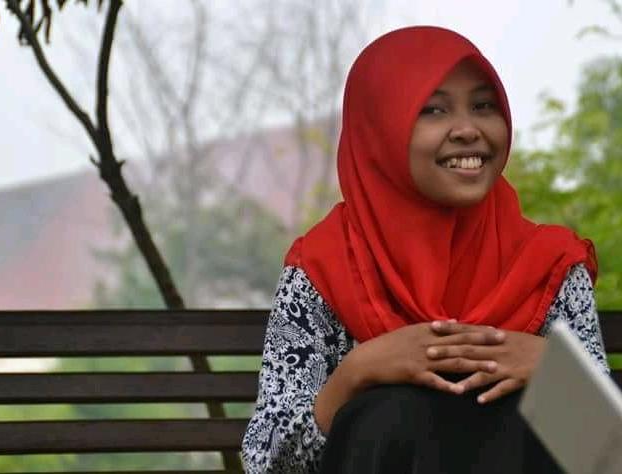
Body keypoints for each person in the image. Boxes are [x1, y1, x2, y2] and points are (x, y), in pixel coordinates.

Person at [241, 26, 609, 474]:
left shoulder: (549, 265)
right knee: (390, 413)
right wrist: (356, 372)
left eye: (483, 106)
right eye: (433, 110)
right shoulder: (322, 270)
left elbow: (605, 453)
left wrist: (556, 373)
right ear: (380, 129)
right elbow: (266, 462)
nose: (468, 129)